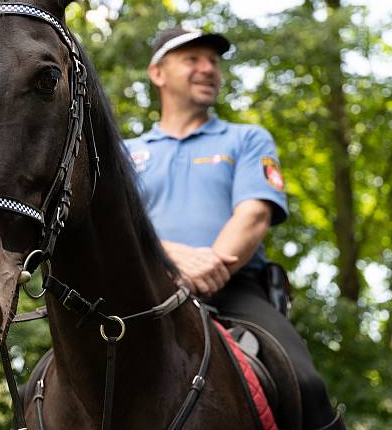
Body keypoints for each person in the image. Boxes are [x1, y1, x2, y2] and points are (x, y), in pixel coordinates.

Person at [126, 26, 343, 429]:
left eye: (213, 61)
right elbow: (118, 232)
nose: (208, 69)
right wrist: (172, 260)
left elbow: (255, 215)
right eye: (192, 59)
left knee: (305, 383)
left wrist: (205, 269)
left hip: (234, 289)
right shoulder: (126, 153)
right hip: (142, 293)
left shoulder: (247, 139)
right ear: (158, 73)